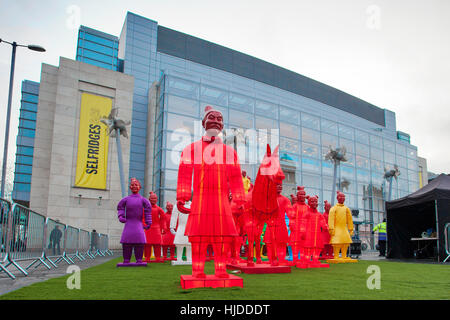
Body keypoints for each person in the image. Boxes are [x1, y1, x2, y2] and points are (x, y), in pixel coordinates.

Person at [176, 105, 246, 278]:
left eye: (219, 119)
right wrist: (183, 196)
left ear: (222, 125)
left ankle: (220, 269)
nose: (216, 121)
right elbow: (184, 173)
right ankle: (198, 270)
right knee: (199, 237)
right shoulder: (191, 148)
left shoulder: (230, 152)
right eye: (212, 117)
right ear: (203, 122)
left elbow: (236, 177)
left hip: (221, 201)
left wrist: (239, 199)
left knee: (221, 237)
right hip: (200, 200)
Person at [117, 178, 152, 265]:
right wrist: (121, 216)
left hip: (138, 225)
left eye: (136, 185)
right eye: (132, 185)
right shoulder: (126, 199)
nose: (134, 186)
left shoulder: (143, 200)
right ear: (130, 187)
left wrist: (148, 221)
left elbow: (148, 210)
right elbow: (120, 207)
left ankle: (139, 260)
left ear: (140, 187)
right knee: (126, 243)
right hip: (128, 224)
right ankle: (126, 260)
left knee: (139, 243)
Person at [328, 191, 356, 262]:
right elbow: (331, 219)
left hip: (344, 228)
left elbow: (349, 219)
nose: (342, 198)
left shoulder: (346, 209)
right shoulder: (333, 208)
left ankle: (344, 255)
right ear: (337, 198)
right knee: (337, 243)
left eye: (343, 197)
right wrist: (331, 228)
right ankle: (336, 255)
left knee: (345, 242)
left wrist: (351, 229)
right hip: (337, 228)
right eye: (340, 197)